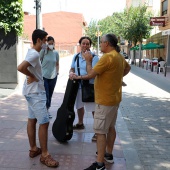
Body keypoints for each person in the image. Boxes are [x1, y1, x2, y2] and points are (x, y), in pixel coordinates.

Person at [73, 33, 131, 170]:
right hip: (114, 99)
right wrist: (115, 77)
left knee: (100, 132)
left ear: (106, 43)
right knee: (110, 128)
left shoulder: (107, 58)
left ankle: (99, 164)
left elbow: (91, 74)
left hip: (104, 101)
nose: (100, 44)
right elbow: (128, 68)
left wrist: (88, 61)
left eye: (102, 42)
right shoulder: (118, 56)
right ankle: (108, 155)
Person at [17, 29, 59, 168]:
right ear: (39, 40)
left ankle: (34, 149)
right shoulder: (34, 54)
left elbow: (26, 67)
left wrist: (31, 75)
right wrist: (33, 76)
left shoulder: (32, 52)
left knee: (32, 119)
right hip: (35, 94)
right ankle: (45, 155)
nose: (46, 43)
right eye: (45, 40)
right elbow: (21, 67)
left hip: (31, 92)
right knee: (44, 122)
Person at [69, 36, 99, 141]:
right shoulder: (76, 56)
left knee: (93, 109)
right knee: (79, 106)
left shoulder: (95, 58)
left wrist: (87, 61)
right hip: (78, 86)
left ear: (90, 45)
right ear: (80, 44)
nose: (85, 45)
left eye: (87, 44)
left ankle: (97, 132)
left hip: (90, 86)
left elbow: (92, 74)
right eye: (83, 43)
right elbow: (72, 67)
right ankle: (80, 123)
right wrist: (71, 73)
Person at [40, 36, 59, 118]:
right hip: (44, 76)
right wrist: (45, 47)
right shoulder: (43, 51)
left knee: (50, 94)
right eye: (49, 43)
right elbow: (38, 59)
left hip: (53, 76)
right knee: (46, 94)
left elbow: (57, 64)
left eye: (52, 43)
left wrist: (57, 72)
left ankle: (47, 109)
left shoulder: (56, 53)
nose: (51, 45)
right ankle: (45, 110)